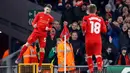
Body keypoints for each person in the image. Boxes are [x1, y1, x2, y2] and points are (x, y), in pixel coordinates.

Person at [15, 4, 54, 72]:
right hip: (36, 32)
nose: (48, 11)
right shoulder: (39, 14)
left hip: (43, 34)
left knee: (42, 49)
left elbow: (51, 26)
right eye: (47, 9)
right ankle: (19, 57)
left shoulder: (51, 18)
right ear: (44, 8)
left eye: (49, 10)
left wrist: (48, 28)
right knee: (27, 44)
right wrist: (34, 25)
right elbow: (33, 22)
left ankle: (40, 65)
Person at [81, 4, 107, 73]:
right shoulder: (100, 19)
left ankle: (91, 69)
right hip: (97, 39)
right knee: (98, 54)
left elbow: (83, 27)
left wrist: (84, 31)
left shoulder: (86, 18)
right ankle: (99, 67)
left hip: (89, 39)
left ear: (88, 10)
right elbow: (104, 30)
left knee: (89, 55)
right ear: (95, 10)